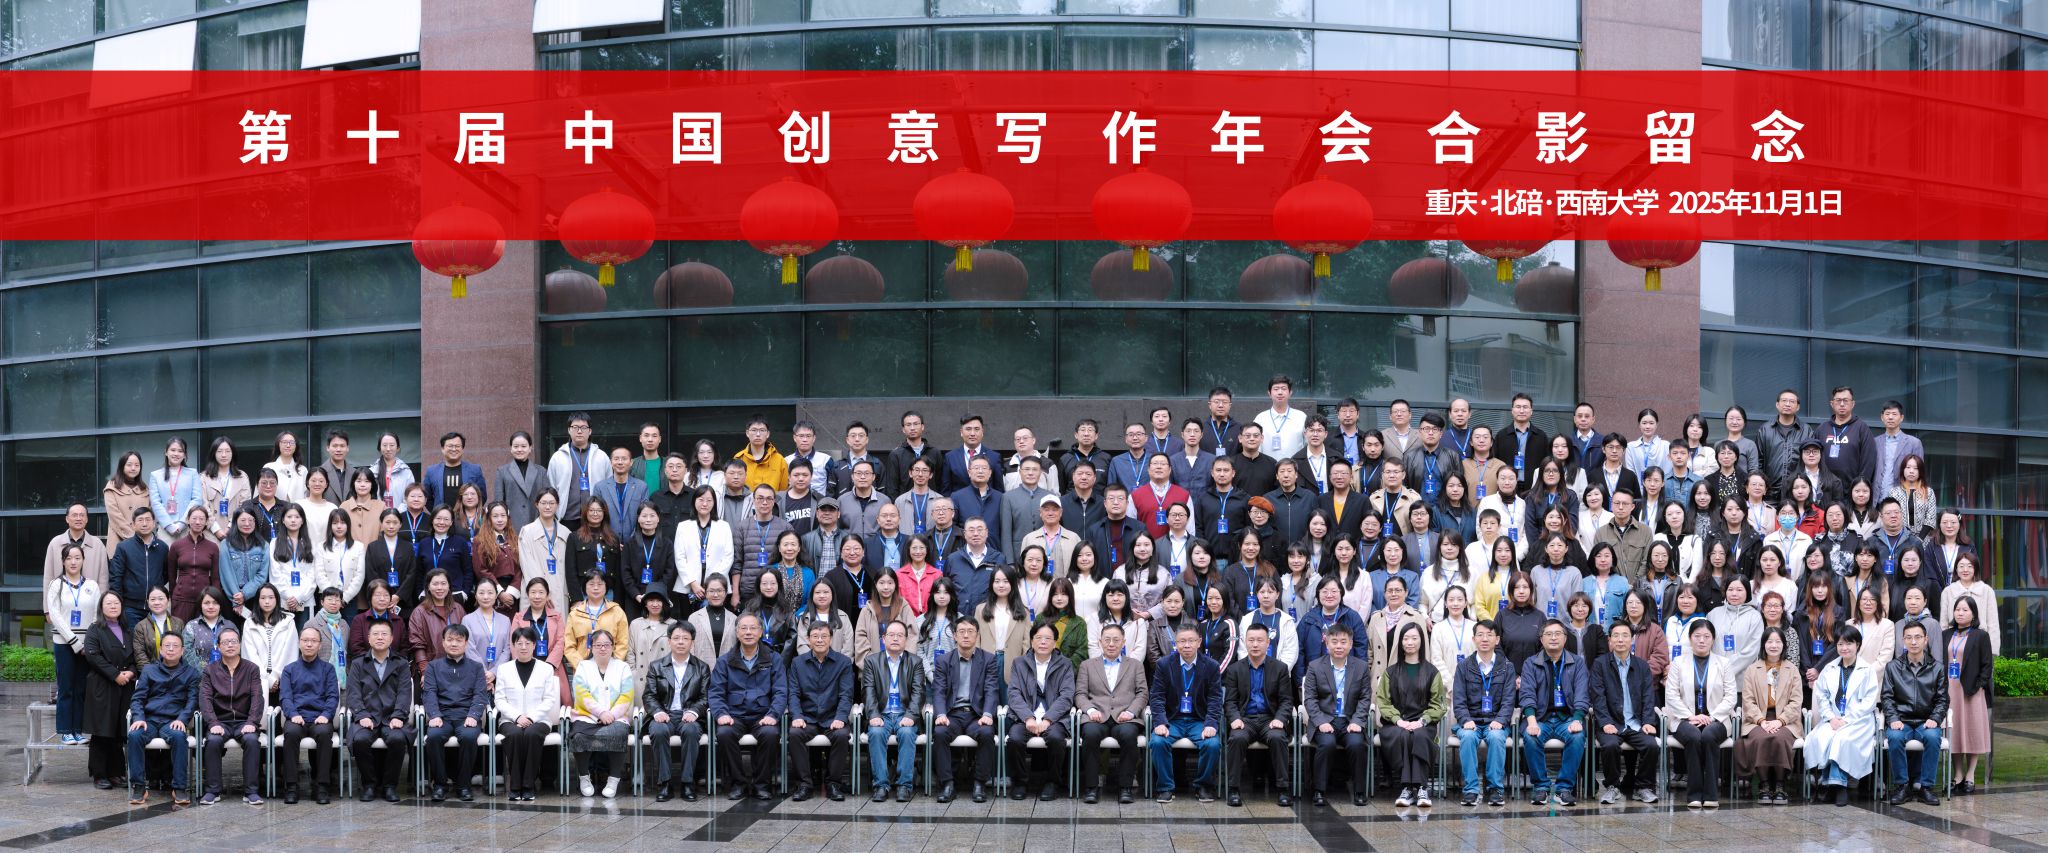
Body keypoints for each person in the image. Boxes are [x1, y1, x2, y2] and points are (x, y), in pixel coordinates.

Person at [710, 613, 788, 800]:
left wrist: (773, 714)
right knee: (724, 733)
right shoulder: (725, 661)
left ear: (761, 632)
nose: (748, 632)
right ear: (737, 633)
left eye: (753, 628)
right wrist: (721, 714)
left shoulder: (773, 659)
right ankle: (738, 783)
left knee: (770, 734)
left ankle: (762, 784)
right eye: (743, 628)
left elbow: (781, 691)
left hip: (763, 715)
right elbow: (716, 692)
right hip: (734, 715)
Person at [1663, 619, 1736, 808]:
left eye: (1706, 636)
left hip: (1716, 719)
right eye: (1697, 636)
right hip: (1684, 719)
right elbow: (1671, 695)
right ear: (1690, 638)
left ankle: (1711, 794)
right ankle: (1694, 794)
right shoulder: (1678, 663)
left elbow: (1731, 697)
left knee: (1709, 735)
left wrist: (1712, 717)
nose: (1701, 640)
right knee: (1694, 736)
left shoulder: (1724, 663)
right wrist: (1690, 716)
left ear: (1713, 639)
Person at [1074, 619, 1145, 805]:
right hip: (1096, 715)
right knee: (1090, 734)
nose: (1111, 644)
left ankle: (1125, 787)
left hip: (1125, 716)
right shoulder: (1087, 665)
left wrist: (1131, 712)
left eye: (1116, 640)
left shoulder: (1135, 665)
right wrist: (1090, 710)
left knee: (1129, 735)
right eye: (1107, 640)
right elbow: (1080, 694)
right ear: (1100, 642)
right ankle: (1091, 787)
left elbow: (1142, 693)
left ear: (1123, 642)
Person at [1518, 619, 1588, 806]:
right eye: (1548, 634)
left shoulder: (1577, 663)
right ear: (1541, 639)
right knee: (1530, 736)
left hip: (1568, 718)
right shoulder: (1531, 663)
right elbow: (1527, 694)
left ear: (1565, 638)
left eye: (1558, 634)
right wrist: (1532, 721)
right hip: (1541, 718)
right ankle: (1541, 787)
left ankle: (1564, 789)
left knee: (1577, 736)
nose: (1553, 638)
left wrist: (1577, 719)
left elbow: (1582, 694)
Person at [124, 630, 197, 805]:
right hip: (149, 720)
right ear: (161, 650)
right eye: (167, 645)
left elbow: (192, 702)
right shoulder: (149, 670)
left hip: (173, 721)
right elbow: (138, 698)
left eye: (175, 646)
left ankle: (179, 787)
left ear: (182, 650)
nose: (171, 649)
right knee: (134, 736)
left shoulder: (192, 673)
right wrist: (138, 717)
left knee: (179, 737)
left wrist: (182, 719)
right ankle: (139, 786)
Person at [1590, 622, 1659, 805]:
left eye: (1625, 635)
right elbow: (1598, 697)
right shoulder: (1600, 664)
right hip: (1611, 722)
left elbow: (1648, 696)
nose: (1620, 640)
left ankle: (1643, 787)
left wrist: (1648, 721)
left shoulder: (1642, 665)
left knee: (1651, 745)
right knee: (1610, 745)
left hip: (1635, 722)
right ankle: (1613, 787)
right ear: (1610, 640)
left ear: (1632, 639)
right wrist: (1605, 722)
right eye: (1616, 635)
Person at [1810, 627, 1880, 806]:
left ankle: (1837, 786)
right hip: (1833, 719)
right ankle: (1831, 784)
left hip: (1859, 720)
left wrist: (1846, 719)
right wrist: (1830, 717)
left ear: (1858, 645)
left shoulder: (1867, 670)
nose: (1844, 648)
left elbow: (1869, 702)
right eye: (1840, 644)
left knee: (1842, 739)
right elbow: (1822, 696)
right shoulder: (1829, 668)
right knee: (1821, 737)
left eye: (1849, 643)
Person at [786, 620, 856, 802]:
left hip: (832, 717)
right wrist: (797, 716)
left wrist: (841, 717)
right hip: (807, 718)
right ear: (808, 639)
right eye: (815, 636)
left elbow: (846, 695)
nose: (819, 640)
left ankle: (833, 783)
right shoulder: (797, 663)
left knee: (841, 735)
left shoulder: (843, 663)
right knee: (794, 733)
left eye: (824, 636)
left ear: (831, 639)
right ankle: (804, 784)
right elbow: (793, 694)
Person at [1880, 620, 1948, 806]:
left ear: (1926, 639)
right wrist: (1893, 718)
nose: (1913, 641)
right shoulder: (1893, 667)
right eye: (1909, 637)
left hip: (1926, 721)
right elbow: (1887, 697)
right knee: (1894, 737)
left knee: (1933, 737)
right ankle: (1902, 786)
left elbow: (1942, 699)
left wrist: (1935, 718)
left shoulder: (1937, 668)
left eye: (1918, 637)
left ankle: (1926, 788)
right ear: (1903, 640)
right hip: (1902, 721)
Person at [639, 623, 708, 802]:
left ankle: (687, 783)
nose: (681, 642)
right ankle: (665, 783)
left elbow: (705, 696)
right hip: (664, 713)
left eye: (685, 638)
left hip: (689, 715)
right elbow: (649, 695)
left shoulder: (701, 667)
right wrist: (657, 712)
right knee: (659, 731)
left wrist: (694, 712)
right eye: (676, 638)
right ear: (669, 642)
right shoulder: (656, 666)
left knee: (691, 731)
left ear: (692, 642)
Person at [1007, 621, 1075, 801]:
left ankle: (1052, 782)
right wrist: (1028, 718)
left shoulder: (1065, 664)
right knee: (1014, 739)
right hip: (1025, 717)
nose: (1043, 642)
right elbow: (1014, 693)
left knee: (1056, 739)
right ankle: (1020, 782)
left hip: (1055, 718)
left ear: (1055, 643)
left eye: (1047, 638)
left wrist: (1048, 719)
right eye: (1038, 638)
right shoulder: (1019, 663)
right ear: (1031, 641)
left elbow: (1067, 696)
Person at [346, 620, 413, 803]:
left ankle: (390, 786)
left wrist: (398, 715)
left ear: (391, 638)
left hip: (392, 718)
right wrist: (361, 715)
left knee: (398, 739)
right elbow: (353, 694)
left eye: (384, 634)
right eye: (375, 634)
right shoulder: (359, 663)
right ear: (368, 638)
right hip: (367, 717)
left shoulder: (401, 663)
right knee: (360, 739)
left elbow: (404, 692)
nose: (380, 637)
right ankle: (369, 785)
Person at [1304, 623, 1370, 806]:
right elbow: (1310, 699)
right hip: (1325, 720)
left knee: (1357, 744)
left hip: (1349, 721)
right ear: (1327, 644)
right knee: (1327, 744)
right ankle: (1319, 791)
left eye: (1343, 642)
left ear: (1350, 644)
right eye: (1334, 642)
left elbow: (1365, 698)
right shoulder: (1315, 666)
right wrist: (1320, 721)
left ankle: (1359, 791)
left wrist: (1357, 721)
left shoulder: (1361, 667)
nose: (1339, 646)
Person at [197, 626, 264, 806]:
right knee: (213, 741)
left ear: (240, 645)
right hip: (221, 721)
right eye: (225, 642)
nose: (230, 645)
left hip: (244, 721)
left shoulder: (251, 669)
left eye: (234, 641)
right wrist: (213, 723)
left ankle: (251, 791)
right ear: (218, 646)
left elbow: (257, 697)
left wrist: (252, 722)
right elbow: (205, 698)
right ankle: (212, 791)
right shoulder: (210, 670)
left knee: (251, 740)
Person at [277, 626, 339, 804]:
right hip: (297, 717)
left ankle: (322, 786)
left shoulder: (328, 669)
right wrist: (293, 714)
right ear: (299, 643)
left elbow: (332, 696)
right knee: (290, 733)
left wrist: (326, 714)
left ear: (320, 645)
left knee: (324, 733)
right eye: (305, 640)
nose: (309, 644)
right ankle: (291, 786)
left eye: (313, 641)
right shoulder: (289, 669)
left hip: (320, 717)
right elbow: (285, 697)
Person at [568, 627, 633, 799]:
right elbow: (581, 694)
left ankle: (613, 779)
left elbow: (627, 695)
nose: (602, 648)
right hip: (587, 716)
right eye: (598, 645)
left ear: (613, 646)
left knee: (618, 734)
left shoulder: (623, 667)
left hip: (616, 716)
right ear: (591, 647)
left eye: (606, 644)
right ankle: (584, 777)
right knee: (579, 737)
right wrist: (601, 713)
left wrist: (611, 714)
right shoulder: (583, 666)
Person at [83, 590, 139, 790]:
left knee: (118, 731)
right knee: (102, 731)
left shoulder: (128, 630)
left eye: (116, 602)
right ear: (101, 607)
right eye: (108, 603)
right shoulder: (95, 629)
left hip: (125, 686)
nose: (113, 606)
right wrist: (115, 674)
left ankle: (116, 773)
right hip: (103, 685)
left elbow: (134, 658)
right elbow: (93, 656)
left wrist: (131, 673)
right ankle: (99, 775)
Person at [46, 543, 100, 745]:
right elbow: (55, 615)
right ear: (63, 561)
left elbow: (96, 615)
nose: (73, 562)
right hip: (64, 643)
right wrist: (75, 642)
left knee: (81, 688)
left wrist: (88, 642)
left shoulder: (92, 585)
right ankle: (65, 731)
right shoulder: (56, 584)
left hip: (87, 645)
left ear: (83, 560)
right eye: (69, 558)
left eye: (77, 557)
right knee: (66, 687)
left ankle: (78, 730)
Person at [1944, 597, 1992, 796]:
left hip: (1971, 691)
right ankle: (1958, 774)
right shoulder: (1946, 634)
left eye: (1965, 610)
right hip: (1950, 690)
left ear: (1973, 614)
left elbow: (1987, 665)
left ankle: (1970, 774)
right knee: (1954, 731)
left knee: (1973, 731)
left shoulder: (1981, 635)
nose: (1960, 613)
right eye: (1957, 609)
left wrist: (1978, 686)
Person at [109, 507, 170, 630]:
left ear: (154, 523)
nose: (144, 524)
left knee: (155, 640)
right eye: (140, 520)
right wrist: (120, 603)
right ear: (133, 525)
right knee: (132, 640)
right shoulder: (124, 547)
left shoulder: (162, 547)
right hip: (130, 608)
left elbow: (165, 574)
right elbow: (116, 577)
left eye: (148, 520)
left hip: (155, 606)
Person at [409, 570, 467, 679]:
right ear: (428, 587)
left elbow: (466, 640)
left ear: (449, 586)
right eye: (435, 584)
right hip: (432, 669)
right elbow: (417, 645)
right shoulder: (419, 612)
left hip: (458, 668)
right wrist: (425, 671)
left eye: (443, 583)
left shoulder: (458, 609)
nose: (440, 588)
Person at [626, 589, 675, 682]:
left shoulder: (673, 625)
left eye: (659, 600)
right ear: (645, 603)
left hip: (664, 678)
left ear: (664, 603)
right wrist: (633, 672)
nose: (655, 604)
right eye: (651, 600)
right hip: (640, 677)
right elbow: (630, 651)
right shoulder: (635, 624)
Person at [105, 452, 152, 548]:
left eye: (137, 465)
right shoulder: (112, 487)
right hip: (118, 541)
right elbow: (114, 516)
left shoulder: (145, 489)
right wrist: (133, 537)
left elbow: (148, 516)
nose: (133, 468)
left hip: (143, 542)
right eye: (129, 465)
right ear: (122, 466)